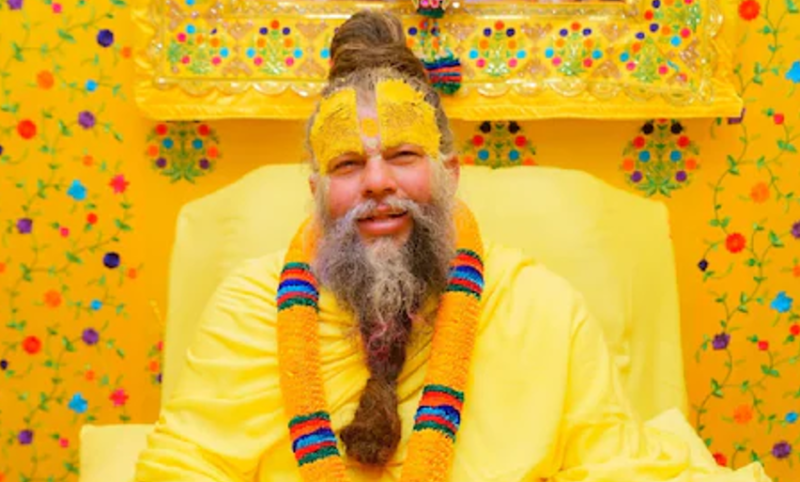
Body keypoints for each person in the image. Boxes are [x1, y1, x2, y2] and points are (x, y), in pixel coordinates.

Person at [133, 10, 772, 482]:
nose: (377, 182)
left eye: (403, 155)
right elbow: (182, 467)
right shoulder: (247, 309)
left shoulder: (539, 309)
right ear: (316, 191)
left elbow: (609, 466)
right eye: (349, 164)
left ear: (450, 174)